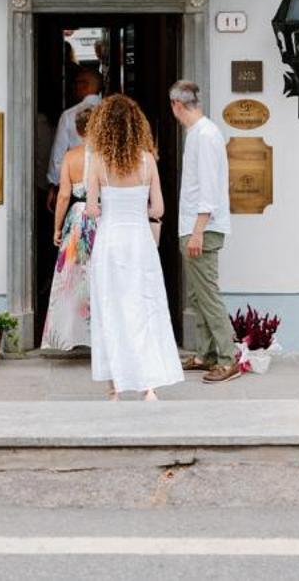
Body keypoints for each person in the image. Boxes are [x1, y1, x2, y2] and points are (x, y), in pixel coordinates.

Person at [81, 94, 184, 400]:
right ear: (138, 126)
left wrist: (103, 206)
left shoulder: (98, 160)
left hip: (110, 243)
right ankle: (148, 385)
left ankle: (114, 385)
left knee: (110, 310)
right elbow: (158, 209)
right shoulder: (147, 160)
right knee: (143, 308)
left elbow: (92, 209)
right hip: (139, 242)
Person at [171, 79, 238, 382]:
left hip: (202, 228)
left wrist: (198, 231)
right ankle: (207, 354)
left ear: (177, 105)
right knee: (198, 296)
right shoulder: (198, 134)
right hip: (194, 226)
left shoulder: (206, 135)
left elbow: (209, 188)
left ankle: (228, 358)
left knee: (207, 295)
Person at [39, 140, 94, 351]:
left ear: (79, 131)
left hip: (79, 217)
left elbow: (63, 196)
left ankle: (69, 334)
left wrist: (57, 228)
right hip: (102, 215)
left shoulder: (71, 156)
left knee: (72, 277)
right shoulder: (107, 153)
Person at [43, 65, 104, 212]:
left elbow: (58, 159)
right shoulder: (112, 114)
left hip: (78, 192)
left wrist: (54, 185)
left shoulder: (69, 115)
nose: (74, 87)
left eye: (77, 83)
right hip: (108, 190)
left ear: (84, 85)